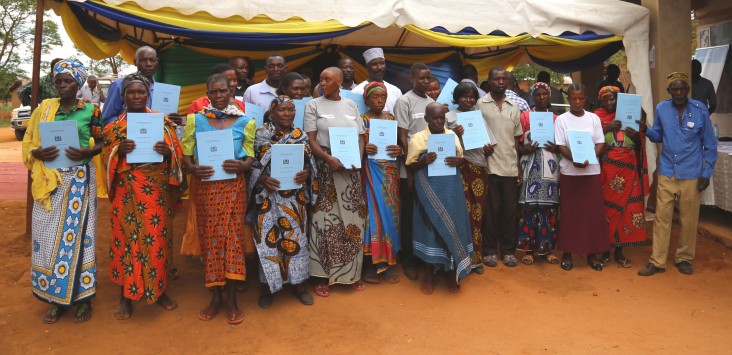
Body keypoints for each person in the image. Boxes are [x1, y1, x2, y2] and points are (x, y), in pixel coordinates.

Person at [22, 59, 101, 324]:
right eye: (58, 81)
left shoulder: (91, 110)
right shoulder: (43, 110)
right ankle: (55, 298)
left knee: (80, 238)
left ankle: (83, 300)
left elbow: (102, 141)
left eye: (68, 81)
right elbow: (30, 142)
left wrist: (88, 151)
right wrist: (37, 152)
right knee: (46, 237)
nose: (63, 86)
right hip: (50, 181)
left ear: (78, 83)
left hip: (80, 180)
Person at [103, 73, 184, 320]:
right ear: (123, 95)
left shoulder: (164, 124)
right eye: (131, 92)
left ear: (148, 95)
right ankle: (125, 296)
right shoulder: (113, 128)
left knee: (157, 240)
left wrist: (168, 153)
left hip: (156, 195)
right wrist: (119, 150)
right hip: (126, 194)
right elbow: (105, 160)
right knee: (126, 241)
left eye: (141, 92)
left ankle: (159, 291)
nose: (136, 96)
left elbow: (178, 158)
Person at [182, 73, 256, 324]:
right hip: (205, 189)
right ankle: (215, 297)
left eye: (222, 91)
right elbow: (187, 154)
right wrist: (192, 169)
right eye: (213, 92)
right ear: (207, 93)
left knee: (233, 240)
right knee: (210, 240)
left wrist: (242, 166)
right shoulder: (195, 120)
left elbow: (249, 157)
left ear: (231, 91)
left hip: (233, 189)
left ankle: (232, 298)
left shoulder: (245, 122)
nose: (218, 96)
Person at [637, 72, 717, 277]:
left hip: (691, 173)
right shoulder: (662, 108)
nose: (679, 93)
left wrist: (706, 173)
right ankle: (657, 261)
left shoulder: (700, 110)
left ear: (688, 91)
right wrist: (645, 128)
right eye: (675, 89)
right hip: (667, 172)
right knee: (661, 217)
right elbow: (657, 136)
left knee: (688, 219)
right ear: (669, 91)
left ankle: (684, 258)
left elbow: (710, 145)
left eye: (683, 89)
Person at [304, 67, 368, 297]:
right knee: (324, 219)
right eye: (321, 79)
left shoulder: (351, 106)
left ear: (340, 82)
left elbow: (361, 137)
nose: (322, 82)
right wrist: (328, 158)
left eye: (327, 79)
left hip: (350, 170)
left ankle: (351, 274)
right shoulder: (313, 105)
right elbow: (310, 139)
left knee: (354, 218)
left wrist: (357, 159)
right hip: (325, 168)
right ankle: (322, 276)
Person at [249, 96, 317, 308]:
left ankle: (298, 285)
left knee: (296, 239)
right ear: (272, 112)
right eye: (282, 110)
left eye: (291, 109)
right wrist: (261, 179)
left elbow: (311, 165)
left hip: (295, 198)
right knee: (268, 240)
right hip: (268, 197)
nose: (287, 113)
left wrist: (306, 174)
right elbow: (251, 164)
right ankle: (267, 286)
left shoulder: (301, 135)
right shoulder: (261, 135)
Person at [405, 102, 472, 294]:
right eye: (434, 118)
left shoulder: (452, 135)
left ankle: (452, 273)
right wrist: (423, 161)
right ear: (426, 119)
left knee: (453, 226)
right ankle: (429, 274)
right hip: (428, 192)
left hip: (451, 190)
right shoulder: (418, 139)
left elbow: (462, 158)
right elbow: (409, 166)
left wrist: (460, 161)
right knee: (430, 228)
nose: (439, 121)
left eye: (442, 117)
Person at [554, 83, 610, 271]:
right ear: (568, 99)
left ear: (585, 98)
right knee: (570, 213)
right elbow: (561, 145)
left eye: (581, 98)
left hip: (591, 172)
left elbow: (600, 142)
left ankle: (592, 253)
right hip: (570, 172)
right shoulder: (561, 120)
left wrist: (590, 157)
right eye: (573, 98)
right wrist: (575, 159)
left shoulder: (593, 118)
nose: (577, 102)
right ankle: (568, 252)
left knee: (591, 213)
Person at [595, 86, 649, 267]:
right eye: (606, 100)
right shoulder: (597, 116)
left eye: (613, 99)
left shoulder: (629, 115)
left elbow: (639, 142)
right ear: (600, 101)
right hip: (608, 171)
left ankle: (619, 251)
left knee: (626, 210)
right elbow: (590, 139)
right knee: (607, 211)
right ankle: (604, 250)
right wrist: (606, 128)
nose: (609, 103)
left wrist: (635, 137)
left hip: (629, 169)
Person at [477, 66, 522, 268]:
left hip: (511, 166)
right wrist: (481, 147)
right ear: (489, 81)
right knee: (492, 210)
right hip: (490, 166)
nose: (501, 82)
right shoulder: (480, 104)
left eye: (504, 79)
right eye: (497, 79)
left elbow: (517, 140)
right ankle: (489, 251)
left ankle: (508, 251)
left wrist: (519, 167)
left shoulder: (514, 106)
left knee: (510, 211)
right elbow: (474, 135)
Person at [444, 82, 492, 273]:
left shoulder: (479, 116)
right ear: (456, 98)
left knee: (477, 215)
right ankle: (458, 258)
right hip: (458, 169)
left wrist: (489, 149)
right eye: (464, 96)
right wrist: (453, 134)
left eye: (472, 97)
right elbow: (439, 145)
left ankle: (476, 259)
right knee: (460, 214)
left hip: (479, 169)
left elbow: (490, 145)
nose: (468, 100)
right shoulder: (448, 117)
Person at [394, 62, 435, 280]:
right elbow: (402, 137)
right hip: (410, 168)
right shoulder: (404, 101)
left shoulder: (431, 102)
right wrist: (409, 172)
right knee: (409, 215)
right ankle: (408, 259)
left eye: (428, 78)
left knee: (425, 214)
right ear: (412, 79)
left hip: (429, 167)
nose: (426, 82)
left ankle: (423, 255)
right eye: (421, 78)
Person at [361, 81, 403, 284]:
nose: (379, 101)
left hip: (390, 175)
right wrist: (364, 149)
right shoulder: (362, 120)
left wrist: (399, 150)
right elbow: (355, 149)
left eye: (383, 97)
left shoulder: (391, 119)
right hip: (370, 173)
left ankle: (388, 262)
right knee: (371, 217)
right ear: (366, 99)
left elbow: (399, 146)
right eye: (375, 97)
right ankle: (371, 264)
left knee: (390, 217)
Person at [515, 82, 561, 265]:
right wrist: (523, 149)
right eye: (538, 94)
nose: (541, 97)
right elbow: (516, 141)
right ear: (532, 97)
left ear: (549, 96)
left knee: (549, 209)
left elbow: (562, 144)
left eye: (545, 94)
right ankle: (528, 251)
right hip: (529, 166)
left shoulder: (557, 119)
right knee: (528, 208)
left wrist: (556, 147)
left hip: (550, 169)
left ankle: (547, 249)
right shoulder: (525, 116)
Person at [103, 46, 159, 125]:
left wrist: (173, 120)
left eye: (152, 60)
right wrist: (129, 126)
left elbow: (164, 119)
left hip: (154, 135)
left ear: (157, 62)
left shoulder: (161, 89)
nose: (148, 64)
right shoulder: (119, 85)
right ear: (135, 62)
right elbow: (107, 119)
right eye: (143, 60)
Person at [351, 48, 403, 113]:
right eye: (374, 64)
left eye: (382, 63)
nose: (379, 67)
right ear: (367, 66)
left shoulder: (395, 91)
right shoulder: (357, 91)